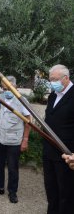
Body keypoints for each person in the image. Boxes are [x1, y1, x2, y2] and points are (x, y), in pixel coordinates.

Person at [0, 76, 31, 204]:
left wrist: (25, 139)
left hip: (13, 141)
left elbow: (28, 122)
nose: (4, 89)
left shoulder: (22, 101)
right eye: (3, 87)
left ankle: (12, 192)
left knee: (12, 168)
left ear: (15, 87)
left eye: (7, 87)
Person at [43, 64, 74, 214]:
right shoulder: (53, 95)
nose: (52, 83)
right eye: (50, 80)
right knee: (51, 190)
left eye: (54, 79)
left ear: (66, 78)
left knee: (66, 193)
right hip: (49, 152)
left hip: (67, 155)